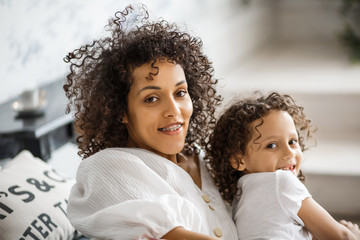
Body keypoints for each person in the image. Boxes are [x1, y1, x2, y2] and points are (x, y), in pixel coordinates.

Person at [63, 4, 237, 240]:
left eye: (180, 93)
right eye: (151, 98)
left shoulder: (204, 161)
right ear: (120, 111)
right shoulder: (107, 166)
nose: (173, 111)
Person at [206, 92, 360, 239]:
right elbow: (341, 237)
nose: (289, 153)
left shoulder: (240, 198)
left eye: (292, 141)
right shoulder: (282, 182)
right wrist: (354, 234)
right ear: (238, 160)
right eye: (272, 145)